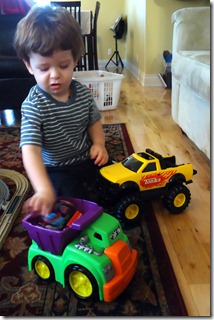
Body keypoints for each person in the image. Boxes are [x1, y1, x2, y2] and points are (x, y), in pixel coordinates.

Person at [14, 5, 109, 216]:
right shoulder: (34, 105)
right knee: (72, 203)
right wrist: (43, 189)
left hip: (85, 158)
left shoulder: (82, 93)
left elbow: (93, 121)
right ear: (29, 66)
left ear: (75, 59)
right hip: (56, 168)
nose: (55, 75)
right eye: (44, 68)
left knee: (114, 181)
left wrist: (99, 144)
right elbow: (30, 149)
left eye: (63, 65)